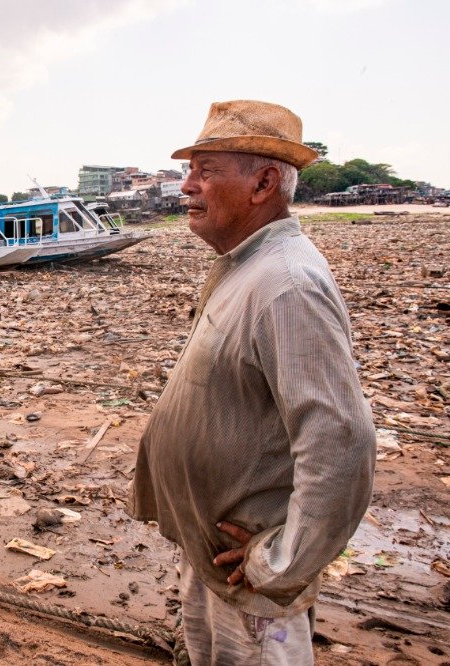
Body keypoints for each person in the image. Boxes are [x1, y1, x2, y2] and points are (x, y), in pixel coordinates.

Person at [130, 100, 375, 664]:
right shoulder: (248, 265)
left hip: (250, 583)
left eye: (206, 170)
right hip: (214, 558)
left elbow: (340, 441)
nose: (186, 185)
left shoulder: (287, 283)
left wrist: (282, 562)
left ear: (264, 183)